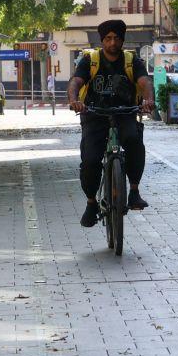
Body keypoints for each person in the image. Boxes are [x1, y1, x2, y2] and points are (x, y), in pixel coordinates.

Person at [67, 19, 155, 227]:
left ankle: (134, 191)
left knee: (134, 141)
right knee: (90, 161)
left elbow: (144, 82)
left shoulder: (132, 61)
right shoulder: (90, 60)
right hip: (94, 114)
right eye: (108, 38)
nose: (112, 42)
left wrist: (149, 100)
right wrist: (74, 100)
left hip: (125, 113)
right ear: (102, 40)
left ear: (122, 40)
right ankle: (91, 203)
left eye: (116, 38)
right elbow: (76, 81)